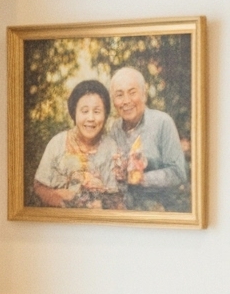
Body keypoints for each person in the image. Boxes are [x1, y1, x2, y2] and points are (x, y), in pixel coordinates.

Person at [33, 78, 122, 209]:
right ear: (74, 113)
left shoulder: (111, 148)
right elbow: (39, 187)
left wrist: (101, 195)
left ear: (105, 115)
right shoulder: (57, 143)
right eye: (84, 111)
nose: (90, 118)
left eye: (97, 111)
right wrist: (60, 198)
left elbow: (116, 198)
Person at [109, 64, 189, 207]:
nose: (126, 101)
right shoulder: (115, 129)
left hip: (161, 210)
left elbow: (179, 173)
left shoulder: (162, 122)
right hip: (124, 211)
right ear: (114, 101)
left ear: (144, 95)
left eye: (132, 92)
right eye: (119, 95)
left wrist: (142, 179)